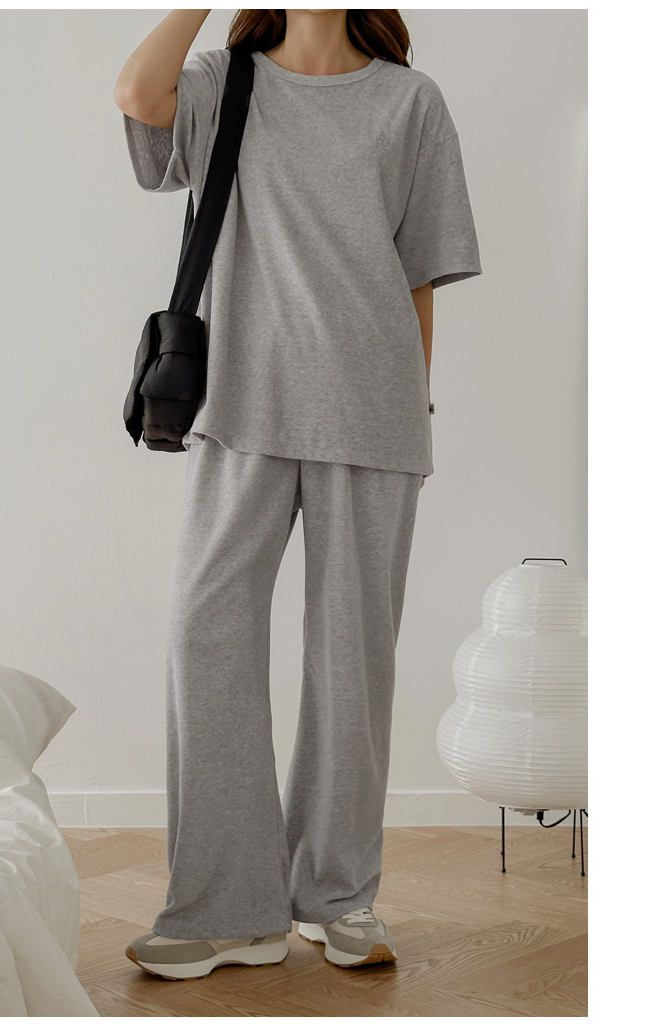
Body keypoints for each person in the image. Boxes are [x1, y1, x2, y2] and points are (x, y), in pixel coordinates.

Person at [114, 8, 482, 980]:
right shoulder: (218, 81)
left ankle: (337, 893)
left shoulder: (410, 102)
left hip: (373, 411)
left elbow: (418, 274)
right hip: (240, 406)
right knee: (205, 632)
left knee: (352, 660)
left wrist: (415, 409)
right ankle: (226, 907)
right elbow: (137, 95)